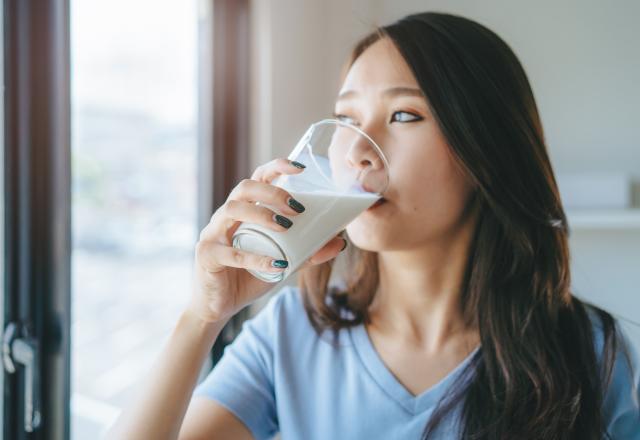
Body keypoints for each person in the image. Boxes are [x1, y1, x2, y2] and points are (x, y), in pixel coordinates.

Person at [107, 12, 640, 440]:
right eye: (347, 120)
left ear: (487, 151)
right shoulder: (291, 332)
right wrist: (202, 316)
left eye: (404, 116)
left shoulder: (587, 350)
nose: (359, 151)